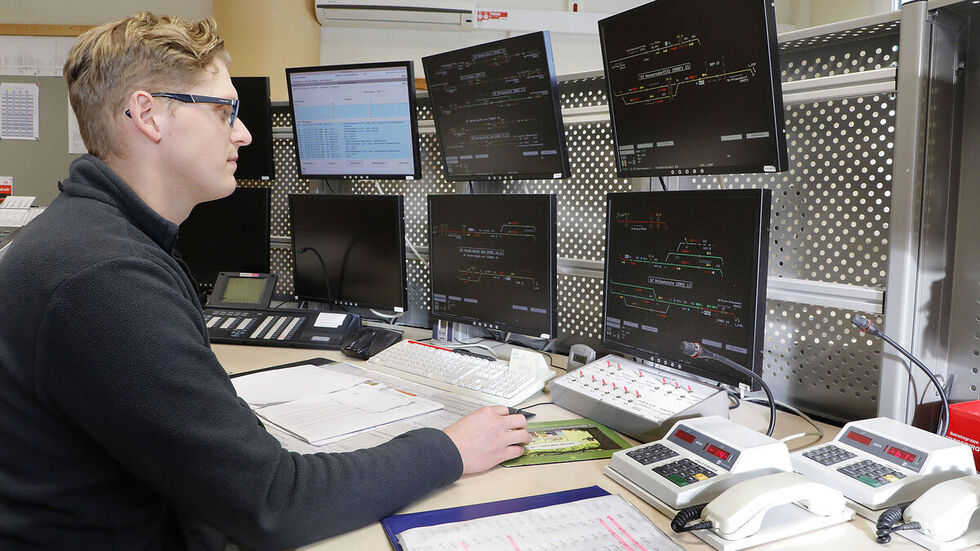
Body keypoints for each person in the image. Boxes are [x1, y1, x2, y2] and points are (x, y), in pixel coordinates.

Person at [0, 12, 529, 550]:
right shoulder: (103, 277)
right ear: (148, 115)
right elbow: (275, 504)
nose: (245, 132)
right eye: (225, 111)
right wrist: (448, 450)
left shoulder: (89, 238)